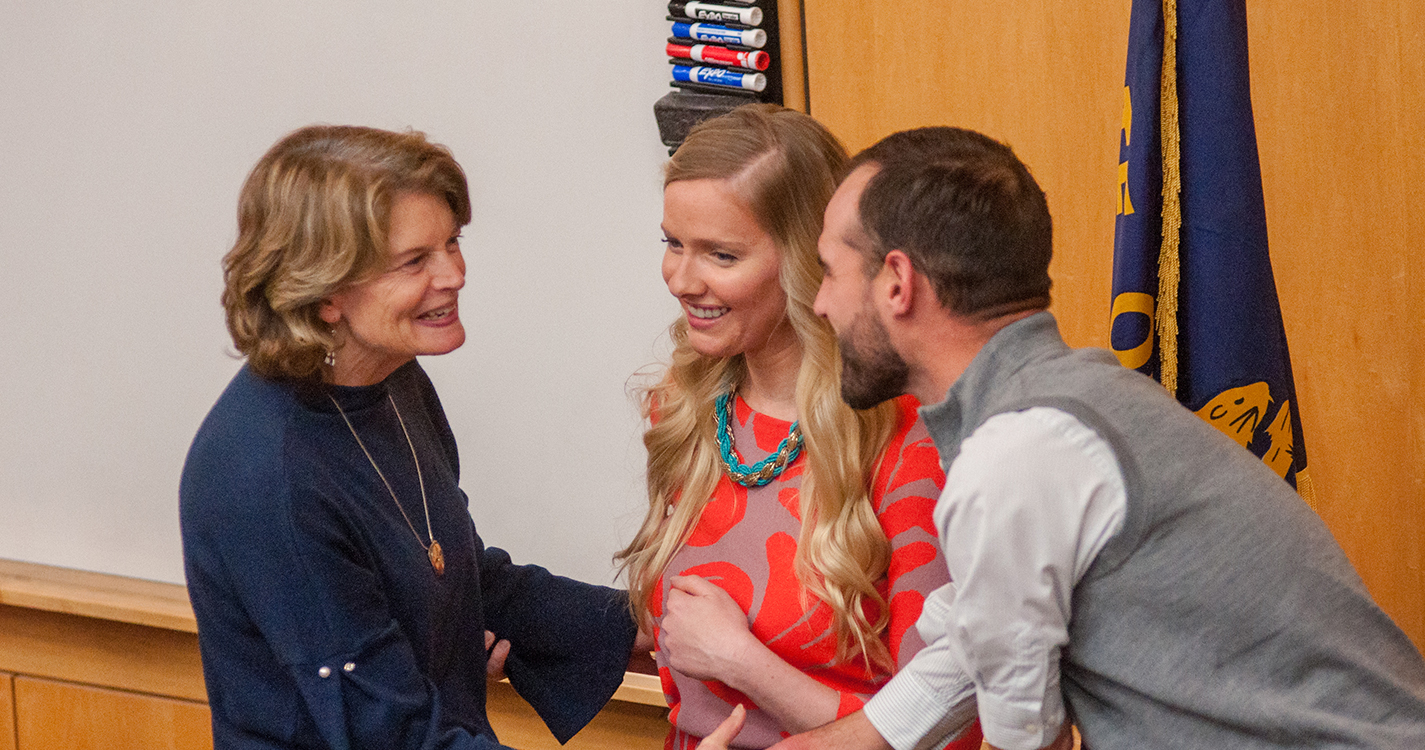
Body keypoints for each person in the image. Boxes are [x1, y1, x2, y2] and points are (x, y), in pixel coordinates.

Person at [768, 125, 1425, 750]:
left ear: (896, 283)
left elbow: (1028, 736)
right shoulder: (1069, 408)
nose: (820, 305)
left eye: (829, 270)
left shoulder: (1014, 455)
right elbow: (979, 636)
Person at [181, 125, 643, 750]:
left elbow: (455, 570)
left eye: (451, 243)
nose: (454, 274)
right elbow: (392, 736)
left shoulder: (392, 378)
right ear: (324, 295)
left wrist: (640, 624)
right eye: (414, 261)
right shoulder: (271, 477)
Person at [616, 104, 983, 750]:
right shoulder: (681, 405)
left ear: (805, 260)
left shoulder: (904, 440)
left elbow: (941, 729)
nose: (680, 279)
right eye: (672, 244)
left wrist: (742, 662)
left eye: (720, 255)